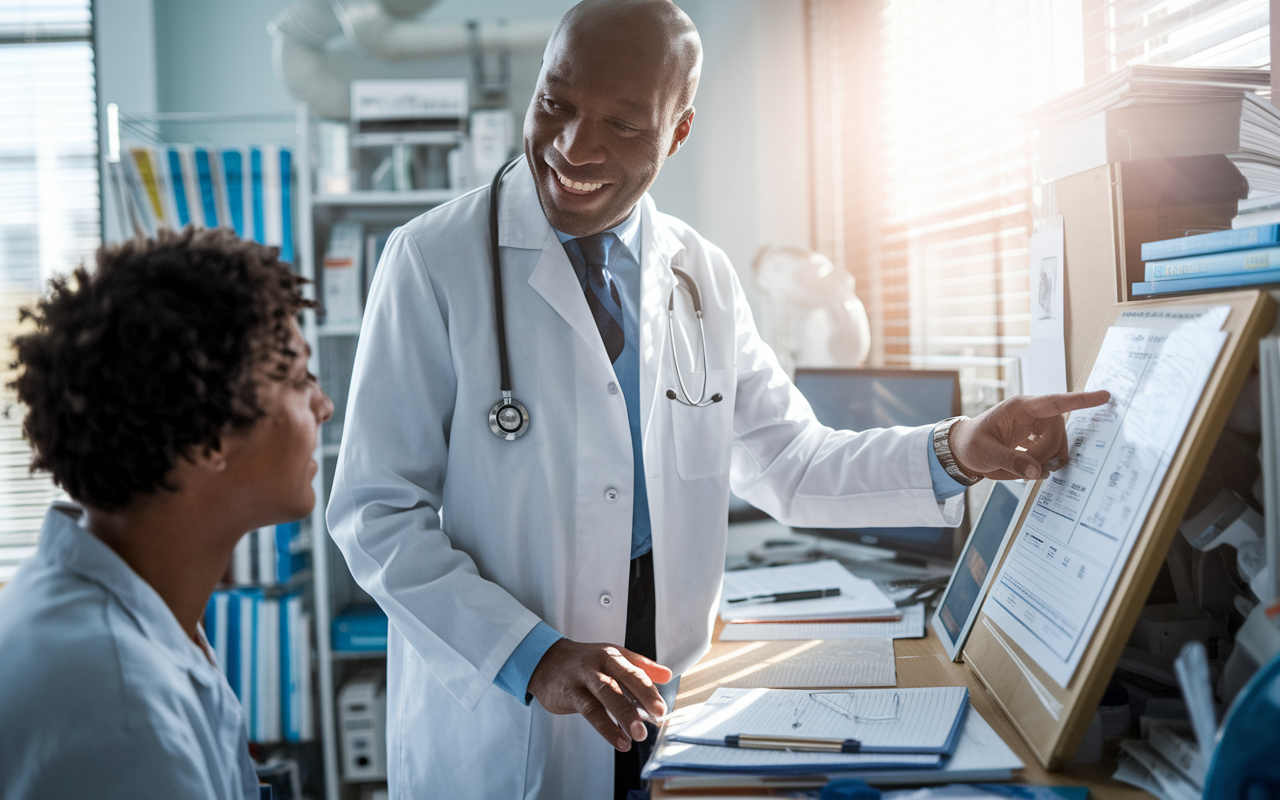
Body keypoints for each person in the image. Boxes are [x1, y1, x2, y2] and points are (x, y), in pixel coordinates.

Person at [326, 1, 1109, 798]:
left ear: (679, 133)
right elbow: (376, 513)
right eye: (556, 103)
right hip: (512, 709)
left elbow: (792, 463)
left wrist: (957, 449)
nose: (573, 145)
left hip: (664, 685)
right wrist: (531, 655)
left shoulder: (700, 275)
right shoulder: (432, 261)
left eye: (624, 126)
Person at [0, 228, 333, 799]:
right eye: (299, 380)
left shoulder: (134, 612)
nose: (323, 407)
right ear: (208, 436)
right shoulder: (119, 705)